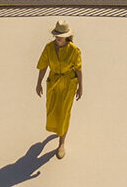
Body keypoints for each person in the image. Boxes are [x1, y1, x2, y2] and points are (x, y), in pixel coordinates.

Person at [35, 18, 83, 159]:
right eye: (56, 36)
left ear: (67, 37)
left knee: (64, 113)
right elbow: (43, 65)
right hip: (54, 81)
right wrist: (39, 83)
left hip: (69, 83)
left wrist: (81, 87)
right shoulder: (49, 47)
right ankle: (58, 131)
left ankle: (61, 143)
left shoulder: (74, 51)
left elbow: (79, 69)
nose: (58, 39)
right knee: (52, 109)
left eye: (60, 37)